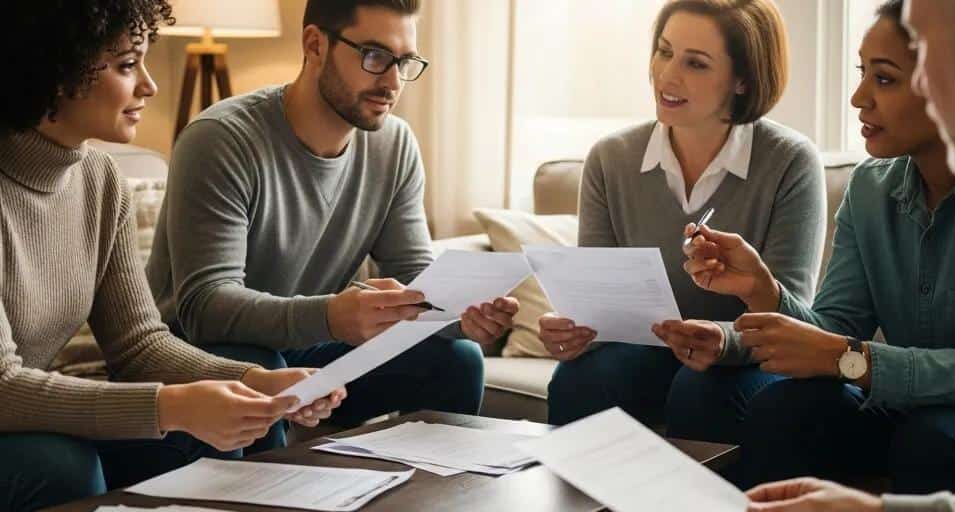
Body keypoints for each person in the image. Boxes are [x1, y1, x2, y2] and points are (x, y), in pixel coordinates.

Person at [0, 2, 345, 510]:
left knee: (235, 424)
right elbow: (3, 388)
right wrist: (169, 405)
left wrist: (255, 382)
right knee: (58, 466)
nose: (148, 85)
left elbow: (138, 346)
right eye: (125, 65)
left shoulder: (100, 179)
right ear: (56, 72)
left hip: (26, 420)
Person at [683, 0, 955, 495]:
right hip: (893, 406)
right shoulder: (871, 188)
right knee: (781, 409)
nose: (859, 98)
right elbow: (836, 329)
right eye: (863, 74)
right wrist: (762, 288)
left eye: (885, 79)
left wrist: (855, 361)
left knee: (932, 439)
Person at [146, 0, 518, 429]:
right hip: (204, 359)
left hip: (310, 347)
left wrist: (461, 314)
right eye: (376, 57)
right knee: (257, 364)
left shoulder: (394, 146)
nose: (393, 82)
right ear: (314, 44)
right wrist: (332, 316)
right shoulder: (221, 141)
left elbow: (415, 275)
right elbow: (205, 307)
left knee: (455, 359)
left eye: (405, 62)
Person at [539, 0, 827, 441]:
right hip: (643, 352)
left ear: (742, 80)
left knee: (702, 388)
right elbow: (600, 300)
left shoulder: (789, 161)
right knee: (580, 379)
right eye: (664, 51)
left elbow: (792, 318)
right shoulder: (610, 159)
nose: (667, 75)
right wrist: (575, 329)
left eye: (695, 63)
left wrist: (722, 341)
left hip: (743, 358)